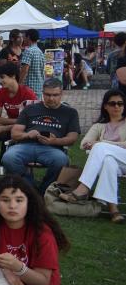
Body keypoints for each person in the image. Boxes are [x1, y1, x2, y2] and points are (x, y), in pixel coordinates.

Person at [58, 89, 126, 223]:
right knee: (108, 161)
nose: (117, 106)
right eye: (112, 103)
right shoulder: (99, 126)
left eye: (120, 103)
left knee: (101, 148)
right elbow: (83, 144)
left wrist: (101, 143)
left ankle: (83, 189)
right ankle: (114, 211)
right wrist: (97, 145)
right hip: (117, 164)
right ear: (105, 106)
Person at [1, 78, 79, 193]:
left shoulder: (70, 113)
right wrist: (27, 135)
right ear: (42, 93)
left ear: (61, 94)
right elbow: (15, 133)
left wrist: (54, 141)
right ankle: (30, 187)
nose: (51, 98)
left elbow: (73, 138)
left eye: (55, 95)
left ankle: (44, 190)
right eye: (47, 95)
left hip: (52, 148)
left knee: (61, 160)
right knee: (8, 157)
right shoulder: (30, 109)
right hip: (26, 145)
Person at [0, 62, 37, 175]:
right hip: (14, 125)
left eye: (2, 77)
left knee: (3, 129)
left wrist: (5, 128)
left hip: (26, 130)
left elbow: (31, 122)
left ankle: (10, 165)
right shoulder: (1, 93)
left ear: (13, 76)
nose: (0, 81)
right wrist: (17, 121)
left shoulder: (28, 93)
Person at [19, 29, 46, 99]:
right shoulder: (40, 52)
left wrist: (19, 84)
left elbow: (24, 70)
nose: (23, 39)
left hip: (29, 88)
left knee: (29, 109)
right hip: (39, 87)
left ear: (28, 37)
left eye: (24, 37)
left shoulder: (28, 51)